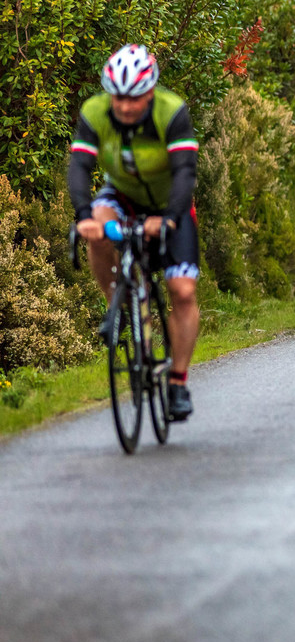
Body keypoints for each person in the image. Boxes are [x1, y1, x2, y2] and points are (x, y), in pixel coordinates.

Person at [68, 44, 202, 420]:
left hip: (170, 204)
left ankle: (177, 383)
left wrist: (169, 218)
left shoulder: (171, 111)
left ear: (151, 91)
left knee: (183, 291)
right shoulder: (95, 112)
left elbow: (185, 171)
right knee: (97, 224)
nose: (125, 107)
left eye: (135, 97)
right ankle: (119, 305)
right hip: (123, 196)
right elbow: (80, 166)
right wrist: (83, 215)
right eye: (118, 98)